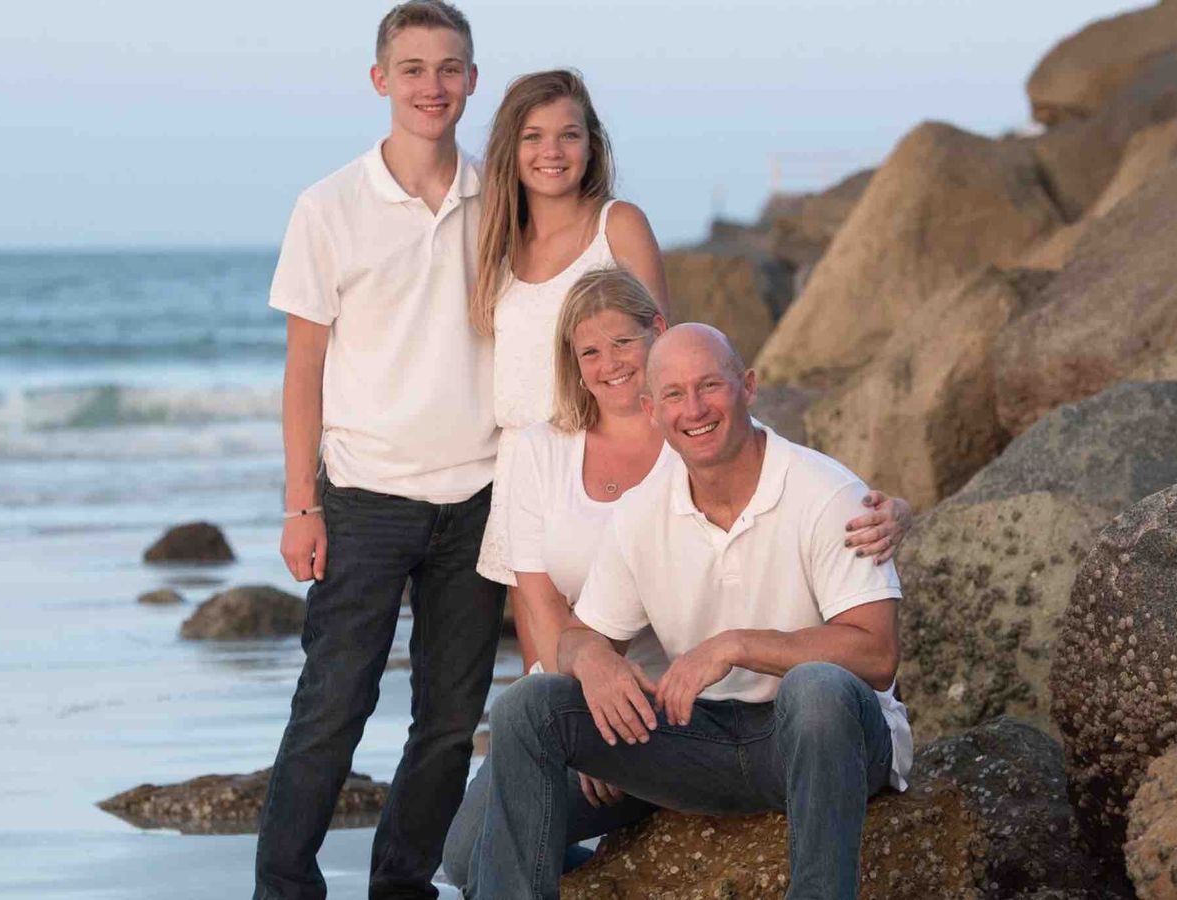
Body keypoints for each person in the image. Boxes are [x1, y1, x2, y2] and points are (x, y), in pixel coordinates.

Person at [446, 271, 912, 896]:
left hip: (816, 736)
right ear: (653, 408)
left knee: (818, 688)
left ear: (748, 387)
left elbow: (878, 656)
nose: (694, 409)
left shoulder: (828, 494)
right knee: (528, 707)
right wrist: (595, 669)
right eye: (674, 395)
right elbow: (578, 634)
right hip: (695, 736)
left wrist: (736, 645)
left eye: (709, 386)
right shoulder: (639, 511)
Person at [253, 4, 505, 898]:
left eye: (449, 68)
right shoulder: (328, 207)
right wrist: (301, 503)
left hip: (482, 498)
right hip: (363, 497)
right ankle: (284, 889)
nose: (433, 86)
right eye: (413, 69)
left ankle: (403, 886)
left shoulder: (503, 199)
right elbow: (304, 367)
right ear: (380, 81)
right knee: (332, 709)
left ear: (472, 80)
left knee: (449, 723)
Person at [468, 70, 669, 673]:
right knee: (547, 677)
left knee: (640, 656)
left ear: (591, 144)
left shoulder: (618, 225)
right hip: (525, 468)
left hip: (611, 453)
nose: (551, 151)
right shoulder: (498, 245)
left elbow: (662, 350)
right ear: (511, 148)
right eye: (533, 136)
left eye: (568, 135)